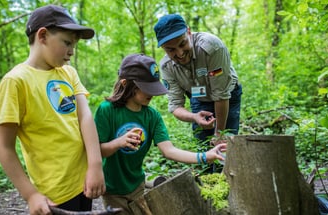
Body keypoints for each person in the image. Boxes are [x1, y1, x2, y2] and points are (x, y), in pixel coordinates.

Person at [0, 4, 105, 215]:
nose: (71, 52)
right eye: (67, 43)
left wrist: (95, 164)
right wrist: (31, 195)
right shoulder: (16, 81)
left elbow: (85, 117)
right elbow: (4, 146)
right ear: (43, 35)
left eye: (74, 45)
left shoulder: (68, 73)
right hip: (55, 193)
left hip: (84, 180)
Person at [94, 53, 227, 214]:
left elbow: (169, 151)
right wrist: (119, 142)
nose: (152, 94)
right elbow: (97, 151)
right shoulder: (107, 111)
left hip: (137, 186)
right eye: (146, 88)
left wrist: (205, 156)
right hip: (112, 190)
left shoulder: (152, 116)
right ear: (126, 84)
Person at [153, 14, 242, 147]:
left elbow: (221, 95)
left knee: (226, 143)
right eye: (171, 50)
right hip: (199, 97)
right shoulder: (167, 66)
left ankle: (225, 168)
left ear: (189, 32)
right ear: (163, 48)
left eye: (182, 44)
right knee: (203, 144)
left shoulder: (212, 48)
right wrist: (194, 117)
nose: (180, 53)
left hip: (227, 95)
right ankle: (206, 168)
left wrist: (219, 133)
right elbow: (176, 106)